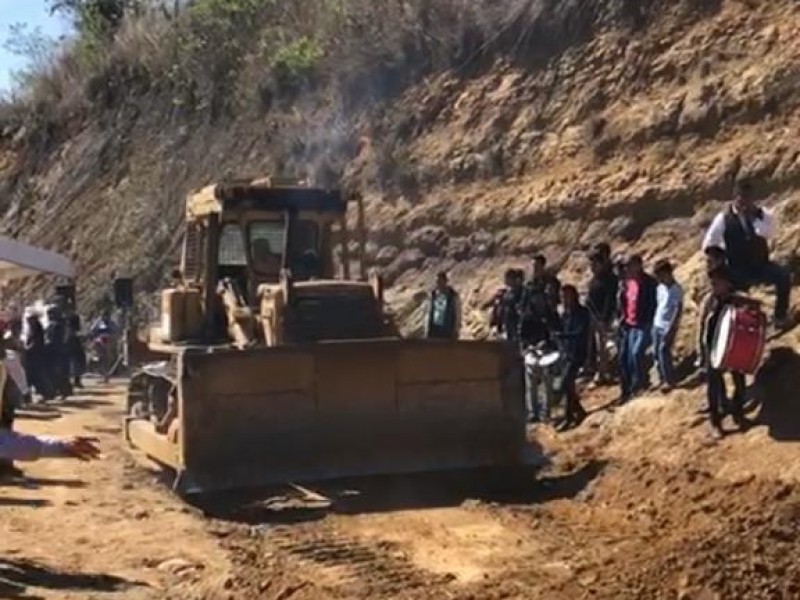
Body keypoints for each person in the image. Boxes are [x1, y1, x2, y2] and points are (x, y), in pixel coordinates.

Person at [702, 179, 791, 329]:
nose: (745, 202)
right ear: (735, 197)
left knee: (783, 277)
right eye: (741, 197)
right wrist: (718, 270)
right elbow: (709, 244)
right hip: (737, 269)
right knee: (725, 299)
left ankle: (780, 317)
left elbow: (770, 232)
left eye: (748, 198)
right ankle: (717, 329)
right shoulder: (724, 218)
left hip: (760, 265)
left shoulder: (762, 215)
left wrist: (754, 218)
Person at [701, 266, 755, 438]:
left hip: (733, 347)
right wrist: (702, 351)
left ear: (726, 282)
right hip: (713, 347)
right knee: (714, 386)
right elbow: (702, 325)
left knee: (739, 383)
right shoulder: (710, 300)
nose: (713, 286)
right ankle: (715, 422)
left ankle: (738, 414)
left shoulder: (737, 299)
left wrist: (751, 305)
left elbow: (755, 311)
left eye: (716, 283)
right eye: (712, 283)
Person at [617, 255, 658, 403]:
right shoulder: (628, 284)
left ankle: (640, 384)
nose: (627, 269)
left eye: (630, 266)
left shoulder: (649, 283)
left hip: (644, 323)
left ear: (638, 266)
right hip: (630, 325)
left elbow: (653, 304)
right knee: (625, 358)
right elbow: (626, 302)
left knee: (637, 353)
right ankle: (627, 389)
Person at [520, 289, 562, 423]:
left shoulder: (552, 316)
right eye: (535, 299)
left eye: (541, 298)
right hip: (532, 353)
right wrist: (531, 347)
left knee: (547, 384)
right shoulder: (527, 317)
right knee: (531, 385)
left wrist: (548, 343)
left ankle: (546, 412)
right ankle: (533, 412)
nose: (538, 302)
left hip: (548, 353)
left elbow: (558, 333)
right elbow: (522, 336)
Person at [557, 285, 591, 429]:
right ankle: (577, 412)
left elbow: (580, 332)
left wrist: (562, 336)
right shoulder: (566, 313)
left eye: (567, 296)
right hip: (567, 352)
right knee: (568, 385)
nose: (565, 299)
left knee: (565, 383)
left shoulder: (582, 313)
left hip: (579, 352)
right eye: (563, 297)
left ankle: (569, 416)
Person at [586, 250, 618, 384]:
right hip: (593, 317)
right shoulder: (594, 280)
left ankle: (604, 373)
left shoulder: (609, 279)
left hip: (604, 318)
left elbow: (610, 300)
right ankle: (598, 371)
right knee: (596, 347)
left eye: (594, 264)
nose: (592, 267)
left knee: (604, 348)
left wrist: (603, 318)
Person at [652, 260, 683, 392]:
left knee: (664, 351)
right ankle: (661, 378)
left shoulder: (676, 290)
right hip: (657, 324)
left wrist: (672, 326)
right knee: (656, 352)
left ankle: (669, 380)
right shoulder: (660, 288)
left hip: (668, 326)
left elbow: (678, 309)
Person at [490, 269, 525, 343]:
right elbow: (499, 309)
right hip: (506, 324)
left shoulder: (521, 292)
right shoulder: (504, 293)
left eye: (509, 278)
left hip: (516, 323)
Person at [44, 306, 72, 400]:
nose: (49, 316)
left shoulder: (58, 325)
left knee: (58, 372)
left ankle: (63, 392)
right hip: (56, 352)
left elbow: (54, 339)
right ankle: (58, 391)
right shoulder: (57, 324)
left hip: (57, 352)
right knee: (56, 373)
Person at [425, 272, 462, 340]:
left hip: (448, 331)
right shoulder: (433, 295)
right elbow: (429, 312)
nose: (438, 283)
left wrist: (456, 330)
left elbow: (458, 313)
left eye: (440, 281)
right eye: (437, 281)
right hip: (434, 331)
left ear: (445, 281)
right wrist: (427, 329)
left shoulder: (453, 296)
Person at [66, 313, 86, 389]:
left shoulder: (73, 330)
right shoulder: (70, 329)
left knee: (76, 365)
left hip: (75, 348)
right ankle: (75, 381)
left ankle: (76, 381)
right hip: (72, 348)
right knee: (73, 365)